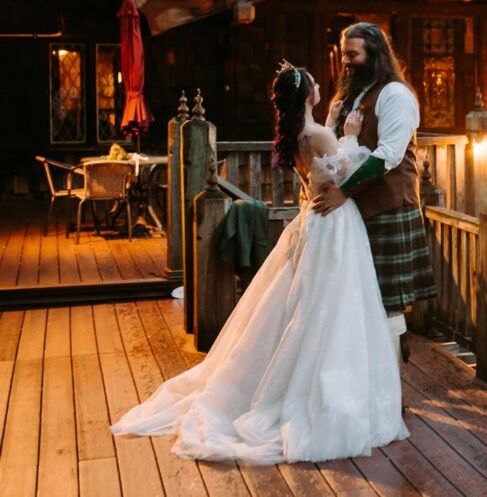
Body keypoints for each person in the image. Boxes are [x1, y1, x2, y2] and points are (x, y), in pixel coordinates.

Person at [111, 62, 408, 464]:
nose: (321, 83)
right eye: (315, 82)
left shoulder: (299, 136)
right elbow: (348, 172)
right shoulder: (320, 134)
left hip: (310, 223)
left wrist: (339, 132)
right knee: (333, 305)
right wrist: (352, 136)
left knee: (304, 303)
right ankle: (320, 391)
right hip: (334, 225)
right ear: (306, 95)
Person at [312, 22, 437, 365]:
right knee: (358, 298)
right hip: (354, 214)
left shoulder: (395, 94)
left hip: (389, 208)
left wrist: (344, 192)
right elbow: (334, 150)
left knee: (387, 300)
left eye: (353, 54)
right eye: (344, 55)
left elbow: (388, 156)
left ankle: (391, 385)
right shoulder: (348, 97)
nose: (346, 62)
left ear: (375, 53)